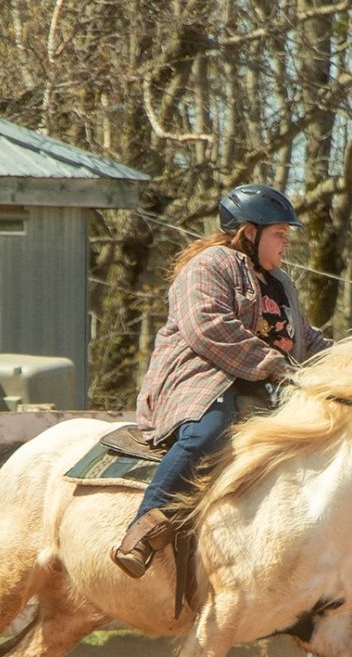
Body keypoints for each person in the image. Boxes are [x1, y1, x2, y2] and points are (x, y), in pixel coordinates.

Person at [112, 184, 332, 577]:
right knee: (208, 429)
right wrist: (273, 364)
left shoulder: (281, 282)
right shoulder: (208, 266)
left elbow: (305, 339)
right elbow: (208, 326)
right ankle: (143, 530)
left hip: (266, 387)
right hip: (201, 380)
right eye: (280, 234)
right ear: (250, 232)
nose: (287, 244)